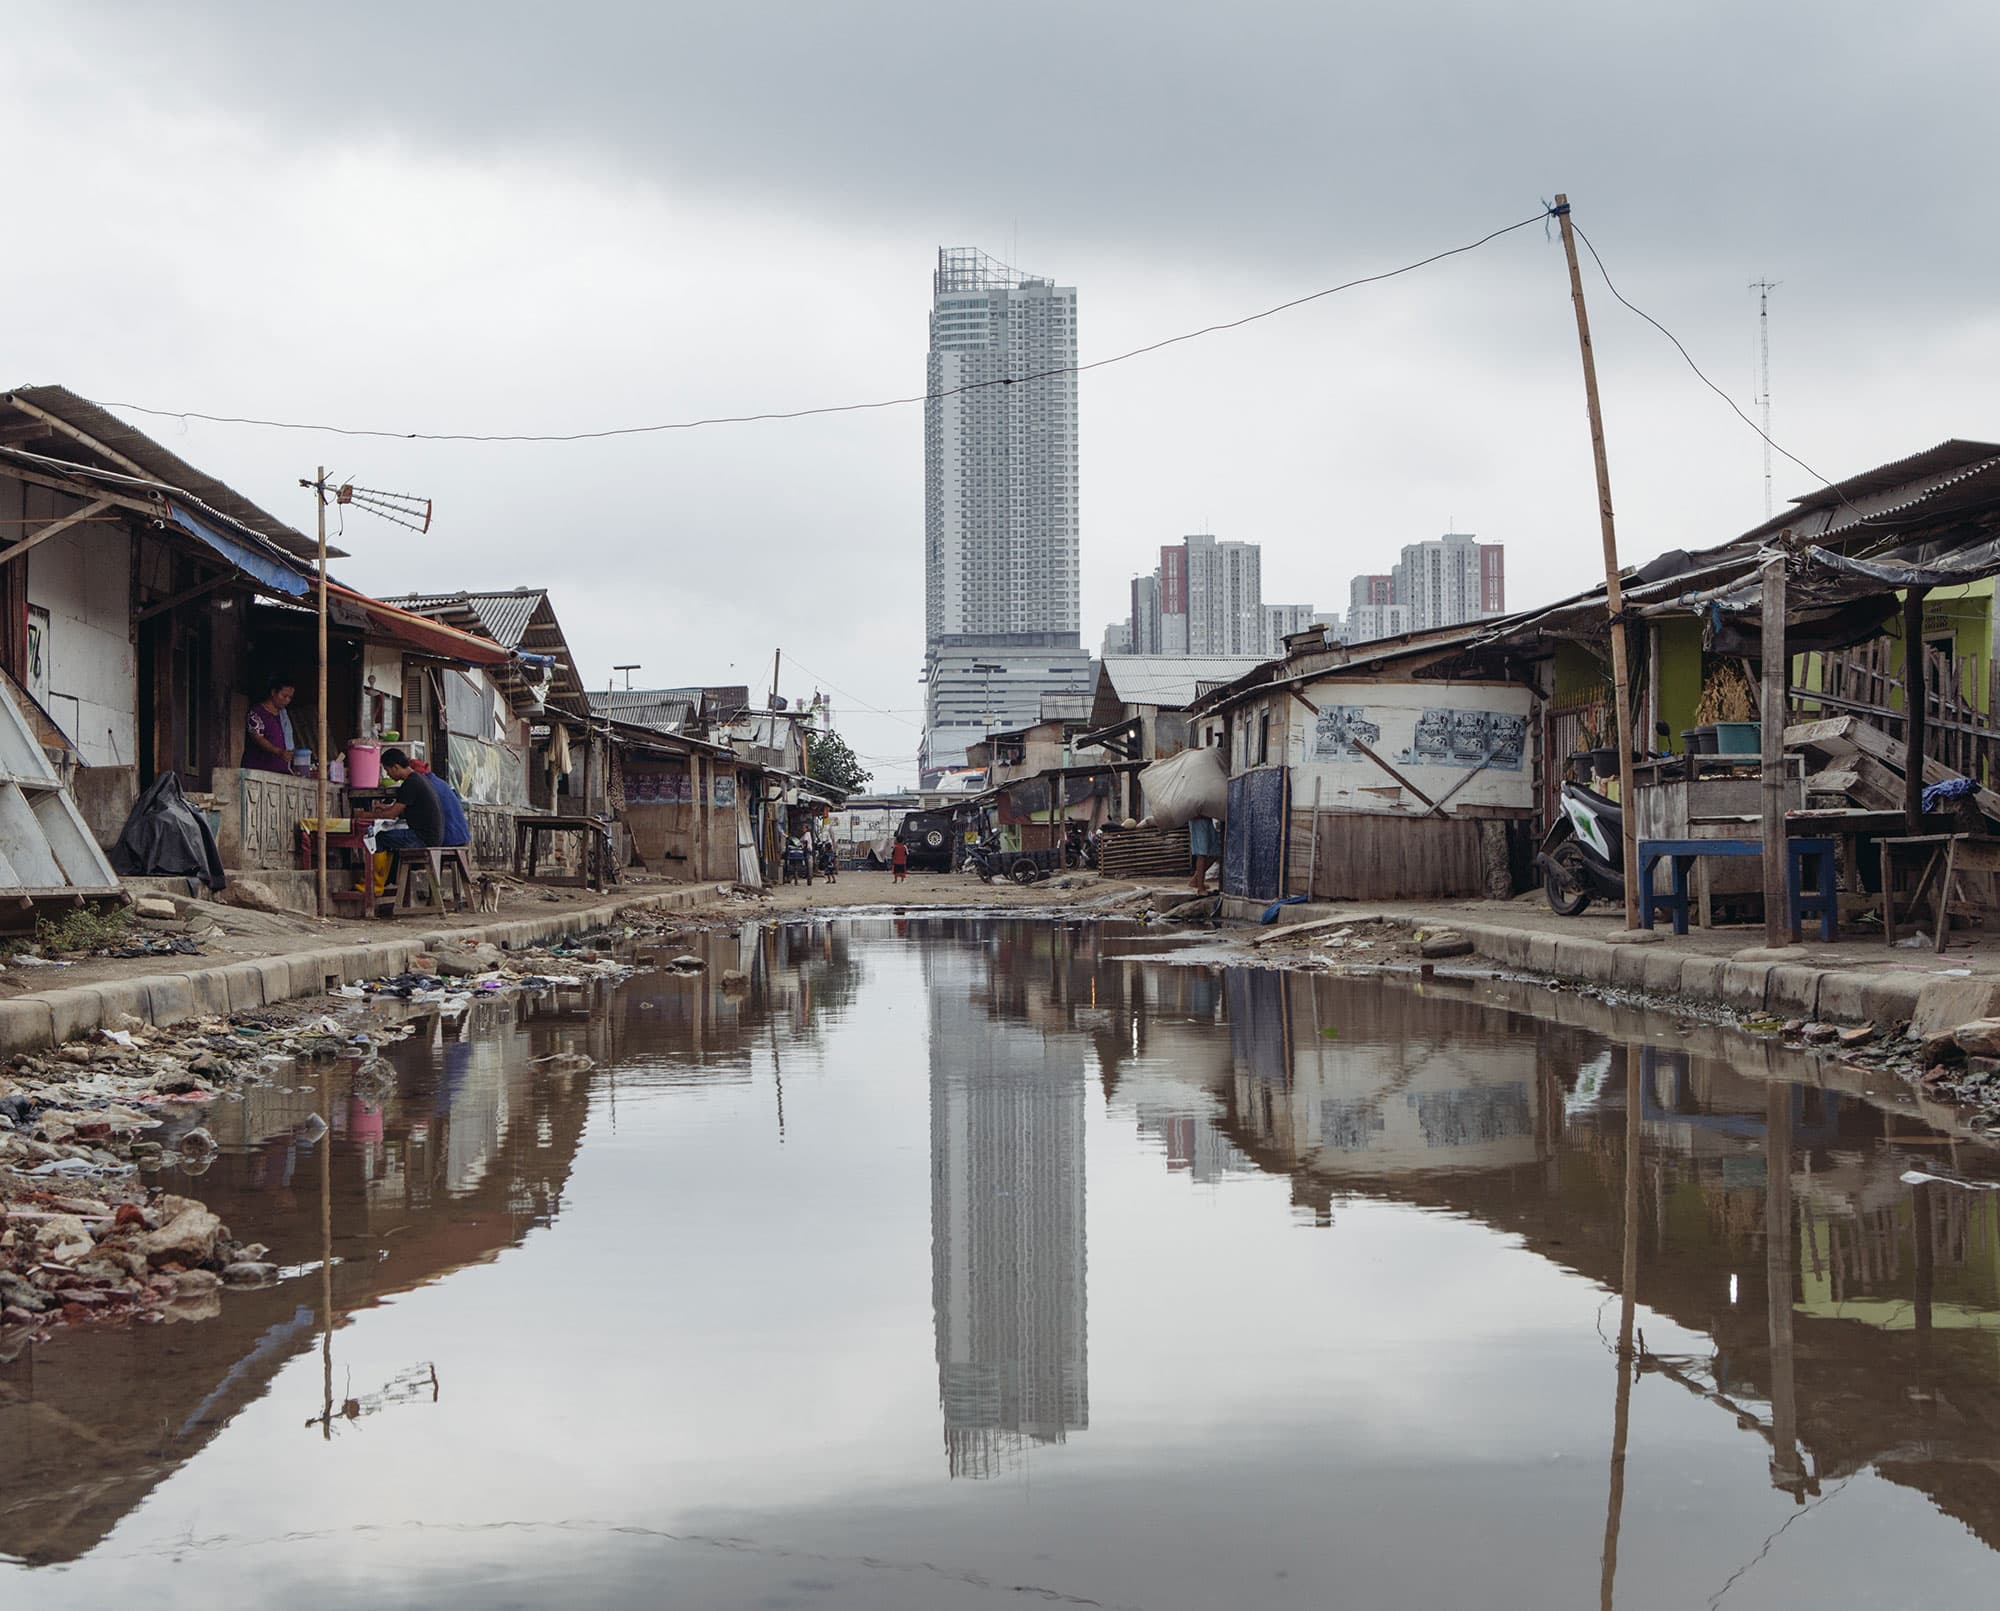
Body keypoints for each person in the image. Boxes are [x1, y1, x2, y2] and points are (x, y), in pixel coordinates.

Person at [373, 747, 445, 858]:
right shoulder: (419, 778)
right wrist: (385, 808)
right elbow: (399, 809)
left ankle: (380, 875)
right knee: (392, 838)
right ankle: (391, 874)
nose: (388, 775)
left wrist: (366, 815)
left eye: (387, 771)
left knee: (379, 838)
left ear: (395, 767)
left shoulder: (411, 783)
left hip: (423, 839)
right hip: (433, 838)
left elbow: (392, 814)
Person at [242, 679, 297, 773]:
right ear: (273, 692)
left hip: (280, 771)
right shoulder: (257, 712)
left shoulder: (283, 716)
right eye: (284, 696)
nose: (287, 700)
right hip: (258, 771)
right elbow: (257, 738)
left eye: (290, 697)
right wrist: (279, 751)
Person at [1187, 814, 1221, 893]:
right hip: (1199, 821)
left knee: (1216, 852)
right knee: (1202, 853)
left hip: (1209, 820)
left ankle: (1196, 880)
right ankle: (1200, 887)